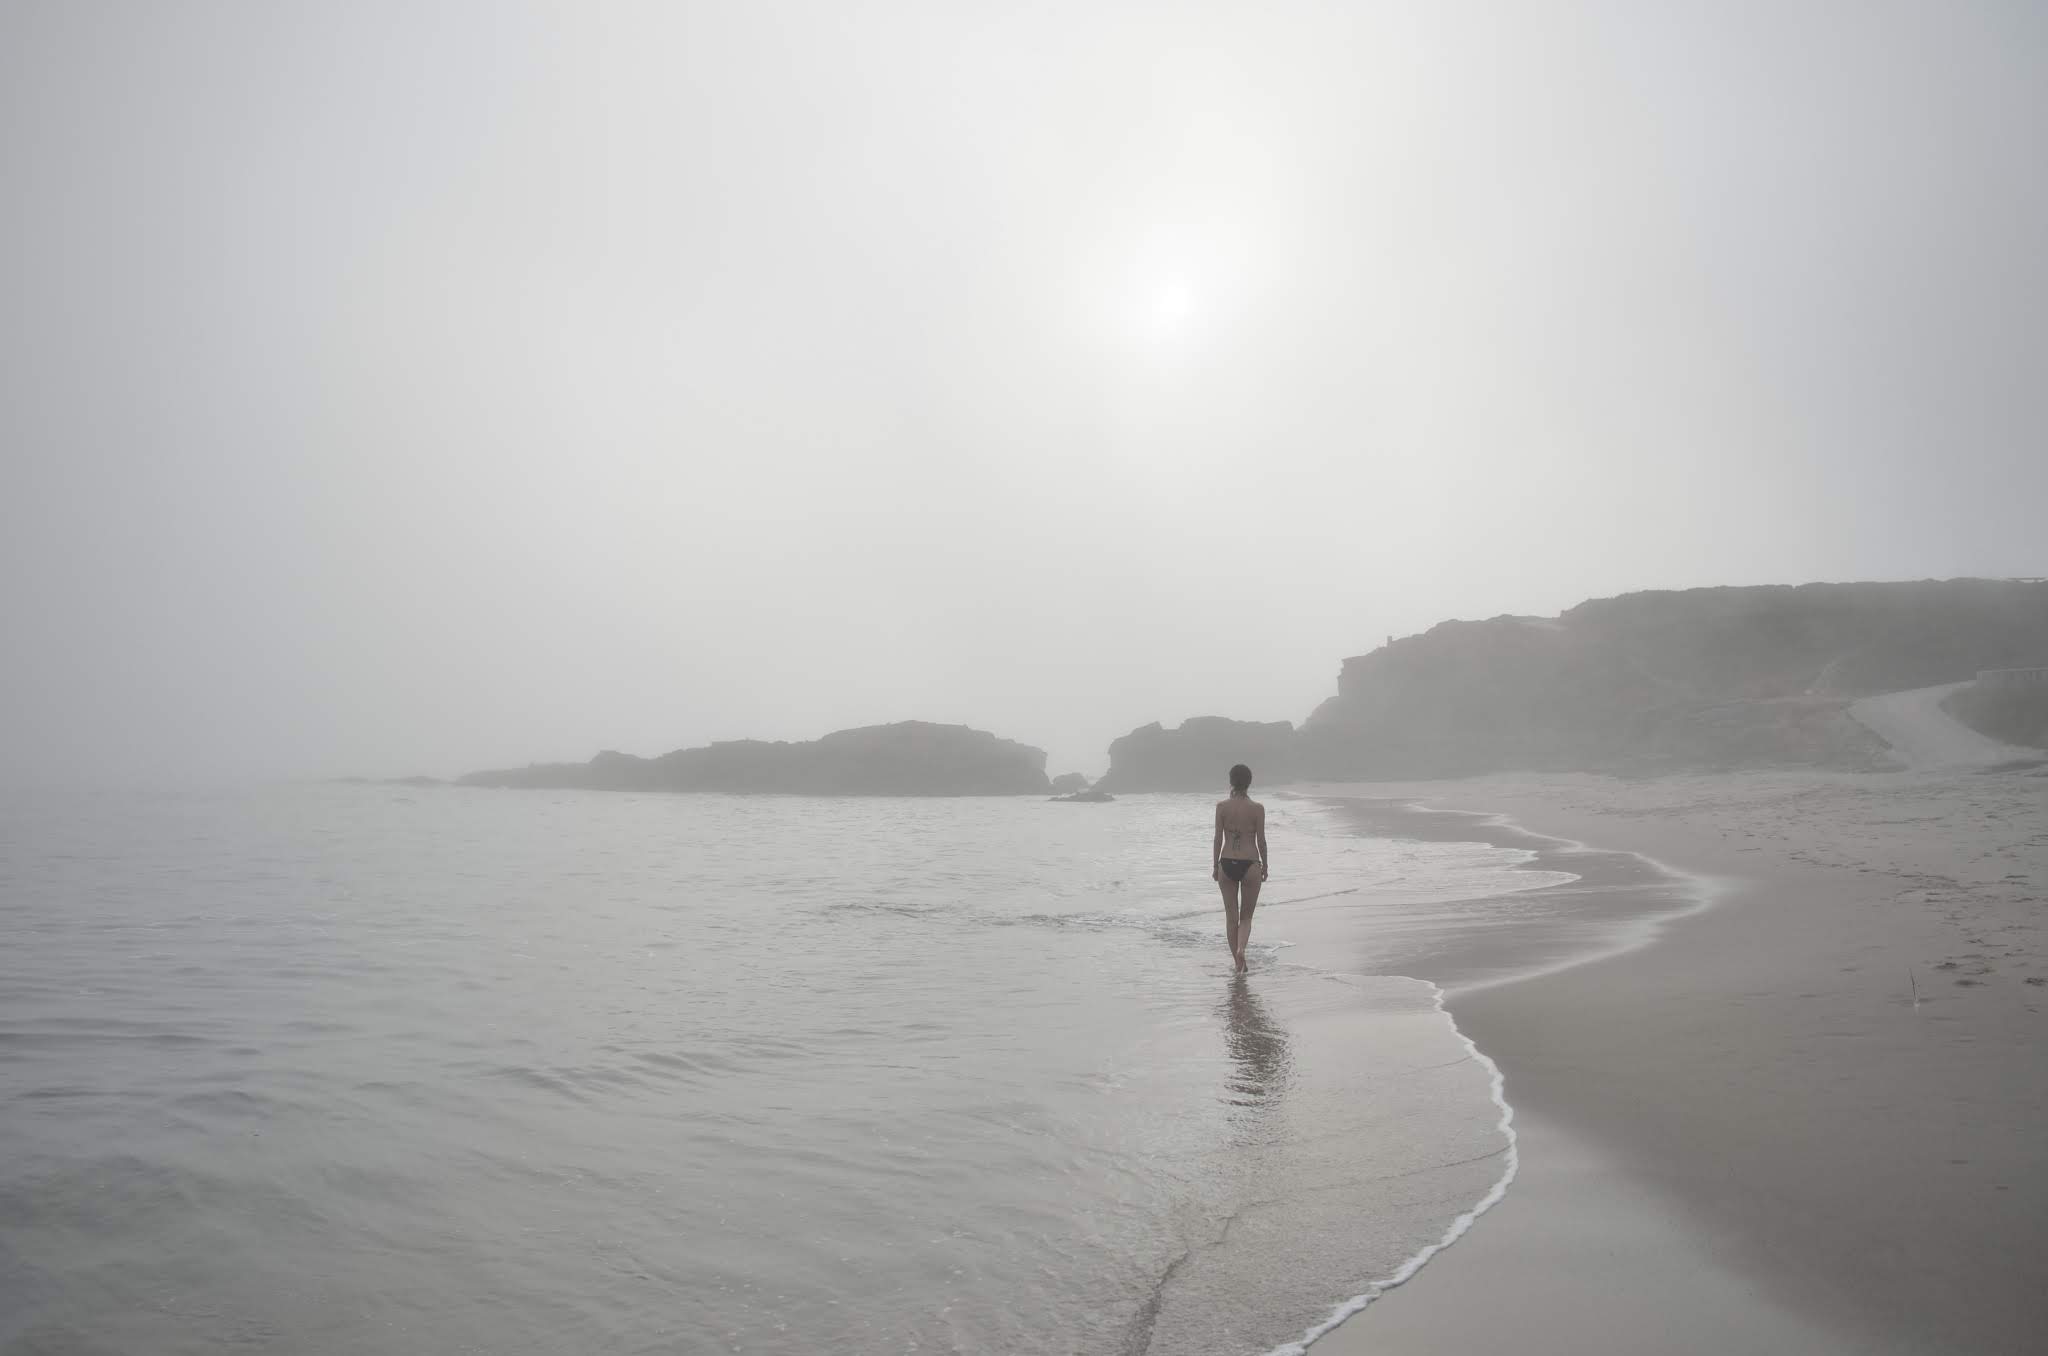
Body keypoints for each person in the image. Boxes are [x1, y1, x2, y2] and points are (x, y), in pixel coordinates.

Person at [1212, 763, 1268, 973]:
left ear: (1231, 781)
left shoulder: (1221, 807)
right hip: (1250, 863)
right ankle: (1241, 949)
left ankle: (1237, 963)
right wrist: (1265, 865)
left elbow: (1218, 839)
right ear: (1249, 782)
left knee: (1231, 917)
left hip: (1226, 862)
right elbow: (1261, 841)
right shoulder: (1257, 809)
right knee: (1246, 917)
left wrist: (1214, 865)